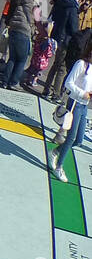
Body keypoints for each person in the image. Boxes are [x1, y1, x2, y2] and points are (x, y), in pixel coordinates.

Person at [50, 37, 92, 182]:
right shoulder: (82, 64)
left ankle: (55, 152)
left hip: (84, 106)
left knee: (79, 140)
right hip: (74, 103)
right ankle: (58, 167)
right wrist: (82, 93)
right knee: (71, 137)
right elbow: (68, 83)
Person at [1, 0, 40, 90]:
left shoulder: (20, 2)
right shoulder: (35, 5)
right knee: (22, 59)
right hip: (24, 32)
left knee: (12, 57)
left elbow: (12, 11)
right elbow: (38, 19)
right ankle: (14, 82)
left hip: (14, 29)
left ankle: (5, 81)